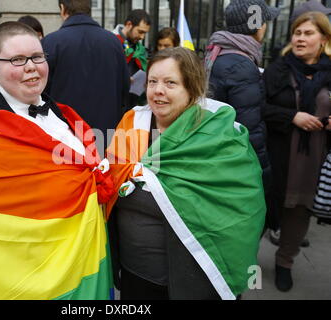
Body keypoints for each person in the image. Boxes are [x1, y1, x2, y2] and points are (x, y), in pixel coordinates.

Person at [0, 21, 115, 300]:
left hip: (83, 261)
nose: (31, 66)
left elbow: (85, 167)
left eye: (37, 57)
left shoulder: (66, 114)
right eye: (17, 60)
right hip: (17, 277)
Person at [106, 47, 266, 300]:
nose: (158, 90)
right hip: (136, 270)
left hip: (196, 273)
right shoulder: (132, 122)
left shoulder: (218, 132)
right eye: (152, 82)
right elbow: (111, 175)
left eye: (171, 83)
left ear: (192, 88)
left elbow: (241, 205)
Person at [263, 11, 331, 292]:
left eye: (308, 33)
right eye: (297, 33)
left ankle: (284, 263)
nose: (301, 38)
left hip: (313, 158)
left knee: (299, 214)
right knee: (262, 210)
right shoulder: (277, 70)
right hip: (277, 153)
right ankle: (241, 264)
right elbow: (259, 108)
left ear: (324, 39)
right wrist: (292, 116)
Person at [205, 0, 278, 219]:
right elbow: (249, 129)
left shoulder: (217, 53)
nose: (265, 27)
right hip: (233, 163)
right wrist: (262, 176)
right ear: (256, 25)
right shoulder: (241, 65)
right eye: (264, 21)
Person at [42, 0, 129, 147]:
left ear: (63, 9)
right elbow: (124, 88)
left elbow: (41, 91)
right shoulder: (113, 42)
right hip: (105, 133)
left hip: (65, 134)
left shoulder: (50, 42)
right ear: (90, 9)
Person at [113, 9, 151, 110]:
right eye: (140, 32)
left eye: (145, 33)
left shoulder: (139, 49)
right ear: (129, 24)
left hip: (134, 103)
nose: (142, 37)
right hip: (115, 101)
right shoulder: (111, 41)